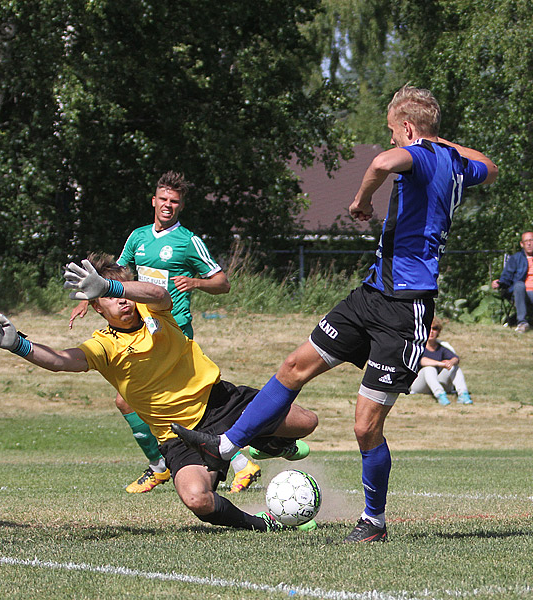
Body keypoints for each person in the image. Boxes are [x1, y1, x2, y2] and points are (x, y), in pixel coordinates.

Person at [171, 84, 498, 543]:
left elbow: (385, 163)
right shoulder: (455, 161)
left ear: (407, 129)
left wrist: (362, 201)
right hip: (368, 297)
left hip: (405, 313)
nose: (389, 143)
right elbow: (490, 164)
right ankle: (224, 446)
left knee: (366, 426)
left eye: (392, 133)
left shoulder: (420, 155)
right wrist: (436, 138)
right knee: (293, 366)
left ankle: (373, 523)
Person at [0, 255, 317, 532]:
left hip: (221, 402)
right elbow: (59, 361)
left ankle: (262, 443)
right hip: (179, 437)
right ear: (98, 309)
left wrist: (109, 284)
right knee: (197, 499)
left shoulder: (153, 310)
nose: (121, 301)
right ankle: (262, 525)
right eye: (110, 298)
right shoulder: (103, 346)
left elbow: (156, 293)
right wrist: (18, 344)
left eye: (121, 292)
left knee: (306, 422)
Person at [69, 172, 260, 495]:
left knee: (151, 403)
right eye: (164, 199)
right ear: (154, 201)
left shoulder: (188, 241)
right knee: (131, 402)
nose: (168, 206)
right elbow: (115, 276)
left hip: (172, 327)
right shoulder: (137, 237)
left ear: (181, 205)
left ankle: (212, 460)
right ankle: (180, 462)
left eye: (175, 201)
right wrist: (91, 300)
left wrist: (197, 282)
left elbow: (222, 283)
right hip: (139, 326)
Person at [409, 317, 473, 406]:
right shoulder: (418, 347)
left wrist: (451, 362)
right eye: (428, 328)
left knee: (454, 367)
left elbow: (455, 358)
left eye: (435, 329)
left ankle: (463, 394)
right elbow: (422, 361)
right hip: (419, 385)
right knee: (429, 369)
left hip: (437, 382)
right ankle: (440, 395)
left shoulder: (442, 347)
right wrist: (440, 363)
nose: (431, 331)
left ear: (438, 332)